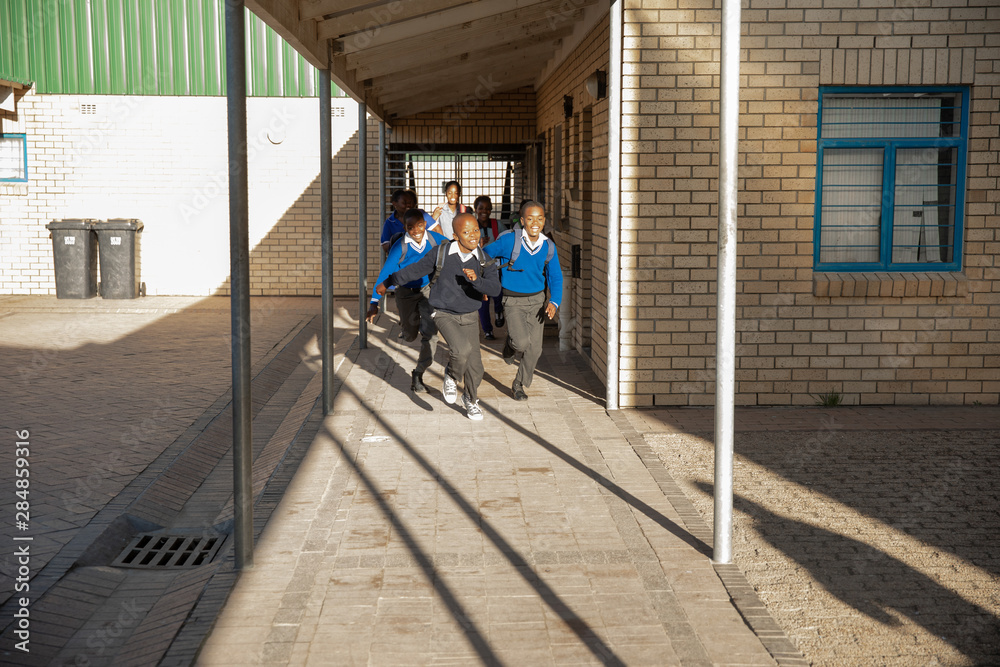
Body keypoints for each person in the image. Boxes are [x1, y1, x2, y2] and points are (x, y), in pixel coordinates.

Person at [379, 214, 501, 421]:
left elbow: (495, 289)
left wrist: (477, 281)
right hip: (444, 312)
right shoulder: (441, 253)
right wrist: (389, 281)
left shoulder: (483, 259)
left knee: (476, 367)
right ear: (455, 235)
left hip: (470, 314)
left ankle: (471, 400)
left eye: (475, 230)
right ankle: (452, 375)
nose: (472, 235)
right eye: (466, 232)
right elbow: (415, 270)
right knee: (460, 351)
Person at [483, 201, 563, 401]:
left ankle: (519, 383)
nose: (535, 222)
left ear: (544, 220)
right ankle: (511, 345)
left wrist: (554, 302)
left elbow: (555, 277)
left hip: (537, 302)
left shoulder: (548, 246)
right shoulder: (510, 240)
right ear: (522, 220)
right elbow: (485, 255)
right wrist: (484, 282)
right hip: (513, 301)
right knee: (521, 342)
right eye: (530, 218)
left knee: (535, 348)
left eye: (539, 218)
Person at [367, 209, 448, 393]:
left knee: (431, 336)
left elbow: (455, 253)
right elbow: (386, 273)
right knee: (410, 334)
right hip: (405, 293)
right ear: (405, 228)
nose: (416, 230)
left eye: (420, 225)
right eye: (410, 227)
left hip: (427, 290)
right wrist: (374, 302)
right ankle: (409, 327)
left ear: (425, 224)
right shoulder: (401, 246)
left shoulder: (436, 240)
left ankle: (418, 373)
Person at [473, 195, 505, 339]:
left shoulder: (496, 225)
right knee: (483, 299)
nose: (484, 211)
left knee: (498, 294)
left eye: (487, 208)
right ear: (476, 210)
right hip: (478, 267)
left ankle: (499, 311)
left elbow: (506, 240)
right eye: (481, 208)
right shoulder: (471, 226)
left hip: (496, 266)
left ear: (491, 210)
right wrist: (478, 244)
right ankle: (487, 330)